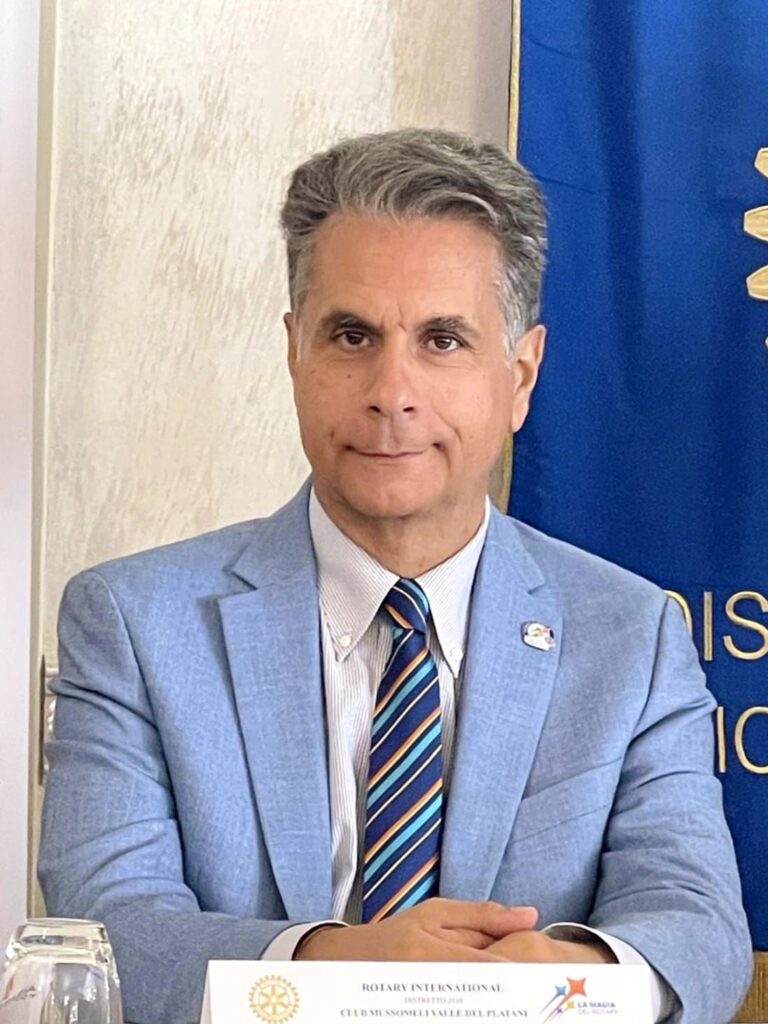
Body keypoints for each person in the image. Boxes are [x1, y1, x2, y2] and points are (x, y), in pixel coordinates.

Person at [39, 129, 752, 1024]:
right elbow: (106, 929)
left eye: (443, 340)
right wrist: (337, 967)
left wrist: (572, 976)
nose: (392, 391)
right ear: (295, 352)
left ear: (520, 375)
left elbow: (698, 924)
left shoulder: (631, 634)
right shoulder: (133, 622)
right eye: (352, 336)